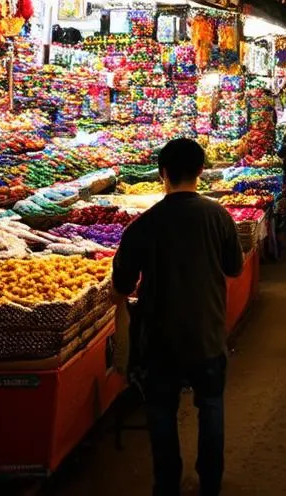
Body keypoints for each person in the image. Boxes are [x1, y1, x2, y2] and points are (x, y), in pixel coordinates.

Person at [112, 138, 244, 496]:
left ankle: (167, 482)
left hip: (159, 335)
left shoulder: (144, 224)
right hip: (208, 330)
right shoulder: (219, 215)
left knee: (161, 410)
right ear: (201, 171)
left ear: (161, 174)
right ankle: (210, 481)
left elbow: (122, 282)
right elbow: (235, 266)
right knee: (211, 405)